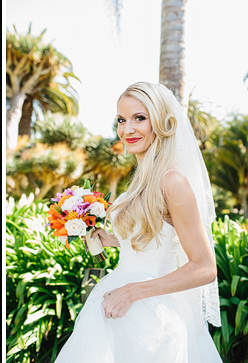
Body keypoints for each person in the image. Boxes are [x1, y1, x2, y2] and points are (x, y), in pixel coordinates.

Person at [54, 81, 222, 362]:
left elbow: (205, 268)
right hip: (117, 298)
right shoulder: (140, 180)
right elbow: (155, 236)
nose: (127, 129)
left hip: (149, 316)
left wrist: (133, 292)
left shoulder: (173, 181)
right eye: (121, 119)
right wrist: (114, 239)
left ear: (161, 122)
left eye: (139, 118)